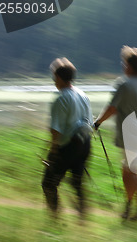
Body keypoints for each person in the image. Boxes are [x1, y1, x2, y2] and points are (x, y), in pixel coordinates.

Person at [94, 46, 137, 221]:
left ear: (130, 66)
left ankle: (130, 208)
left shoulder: (124, 84)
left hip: (130, 134)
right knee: (135, 170)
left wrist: (98, 122)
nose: (122, 65)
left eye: (124, 62)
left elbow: (112, 108)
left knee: (129, 171)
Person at [42, 58, 93, 220]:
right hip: (85, 143)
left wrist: (52, 152)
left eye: (53, 76)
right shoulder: (82, 94)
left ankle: (55, 220)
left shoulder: (60, 98)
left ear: (57, 77)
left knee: (48, 183)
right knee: (77, 182)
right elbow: (89, 122)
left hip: (68, 145)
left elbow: (55, 130)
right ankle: (82, 217)